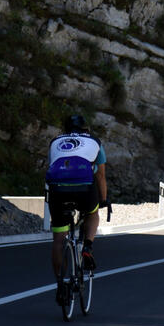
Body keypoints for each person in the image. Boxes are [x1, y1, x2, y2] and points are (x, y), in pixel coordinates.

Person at [45, 114, 108, 303]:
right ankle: (87, 246)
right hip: (84, 189)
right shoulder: (95, 142)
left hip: (58, 190)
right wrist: (103, 199)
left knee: (58, 239)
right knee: (92, 213)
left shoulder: (55, 141)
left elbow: (52, 166)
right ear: (85, 129)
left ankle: (60, 285)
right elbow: (101, 177)